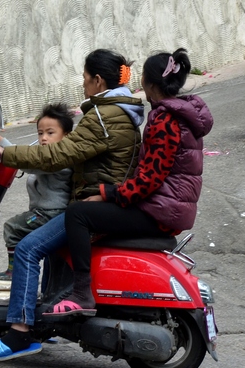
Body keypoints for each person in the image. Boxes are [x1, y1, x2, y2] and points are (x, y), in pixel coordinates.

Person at [0, 49, 144, 361]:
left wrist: (8, 154)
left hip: (92, 206)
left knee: (27, 249)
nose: (83, 86)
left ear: (97, 81)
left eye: (85, 79)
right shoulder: (122, 112)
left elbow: (57, 156)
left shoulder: (102, 117)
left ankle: (19, 333)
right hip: (103, 200)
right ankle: (42, 321)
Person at [44, 48, 213, 318]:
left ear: (149, 82)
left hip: (159, 211)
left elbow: (149, 179)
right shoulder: (180, 115)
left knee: (78, 214)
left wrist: (107, 193)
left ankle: (81, 293)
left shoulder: (164, 120)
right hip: (169, 208)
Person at [0, 103, 75, 281]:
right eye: (40, 133)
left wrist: (5, 146)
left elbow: (32, 163)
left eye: (50, 133)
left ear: (66, 135)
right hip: (47, 212)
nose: (44, 138)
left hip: (49, 214)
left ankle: (14, 271)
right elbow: (32, 157)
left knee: (12, 227)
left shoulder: (60, 158)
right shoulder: (49, 154)